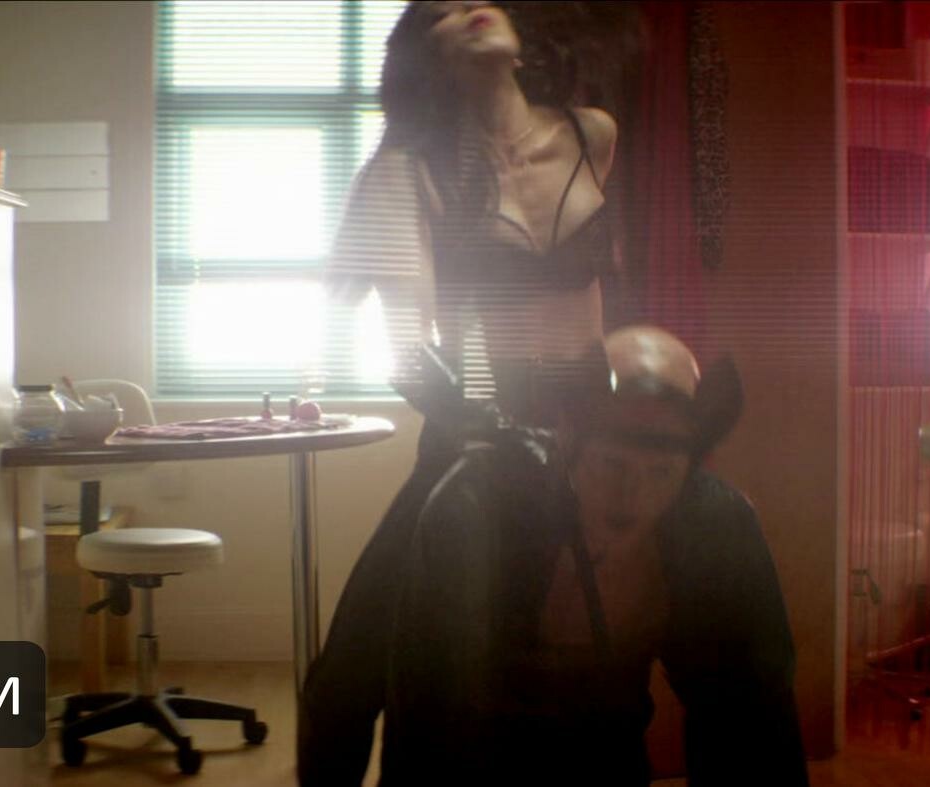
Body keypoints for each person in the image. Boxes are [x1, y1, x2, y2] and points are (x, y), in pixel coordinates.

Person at [304, 2, 630, 782]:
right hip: (475, 442)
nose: (469, 9)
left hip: (593, 435)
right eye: (443, 12)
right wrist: (496, 435)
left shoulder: (593, 134)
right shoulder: (409, 169)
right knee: (351, 673)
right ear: (431, 57)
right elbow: (410, 352)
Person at [366, 325, 805, 785]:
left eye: (660, 471)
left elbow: (754, 726)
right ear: (568, 443)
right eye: (613, 464)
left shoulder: (715, 528)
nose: (631, 494)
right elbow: (424, 726)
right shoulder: (474, 513)